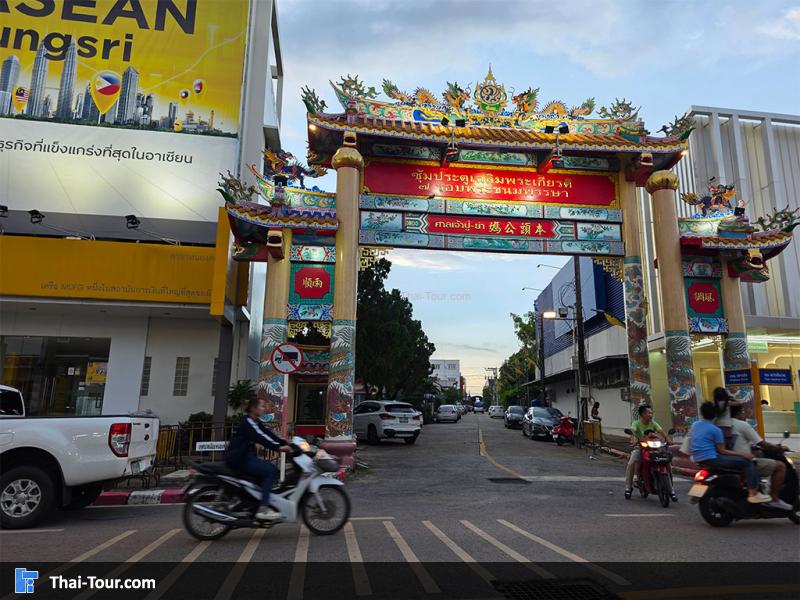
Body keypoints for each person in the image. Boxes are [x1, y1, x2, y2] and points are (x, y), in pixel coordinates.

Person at [690, 401, 771, 504]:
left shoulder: (695, 425)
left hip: (698, 458)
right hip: (712, 458)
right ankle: (753, 493)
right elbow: (722, 451)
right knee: (748, 462)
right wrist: (744, 454)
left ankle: (697, 493)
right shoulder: (716, 430)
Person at [226, 396, 293, 521]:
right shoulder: (249, 423)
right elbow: (261, 437)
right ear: (253, 408)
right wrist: (279, 448)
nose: (264, 409)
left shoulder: (254, 421)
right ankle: (263, 508)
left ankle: (247, 500)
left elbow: (267, 433)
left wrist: (284, 442)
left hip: (245, 456)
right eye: (262, 406)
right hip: (240, 459)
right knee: (270, 471)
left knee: (263, 472)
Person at [729, 404, 791, 510]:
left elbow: (741, 443)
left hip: (729, 459)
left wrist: (755, 448)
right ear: (739, 413)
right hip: (742, 461)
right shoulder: (742, 425)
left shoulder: (723, 424)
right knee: (780, 466)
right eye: (743, 411)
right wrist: (777, 448)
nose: (744, 414)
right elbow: (762, 444)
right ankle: (773, 499)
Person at [624, 405, 675, 501]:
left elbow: (661, 432)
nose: (651, 415)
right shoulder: (636, 423)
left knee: (667, 463)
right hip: (641, 447)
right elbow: (633, 431)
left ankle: (671, 489)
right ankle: (628, 487)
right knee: (631, 462)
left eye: (651, 413)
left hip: (655, 448)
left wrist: (668, 439)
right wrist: (634, 439)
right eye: (649, 413)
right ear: (643, 414)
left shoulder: (654, 423)